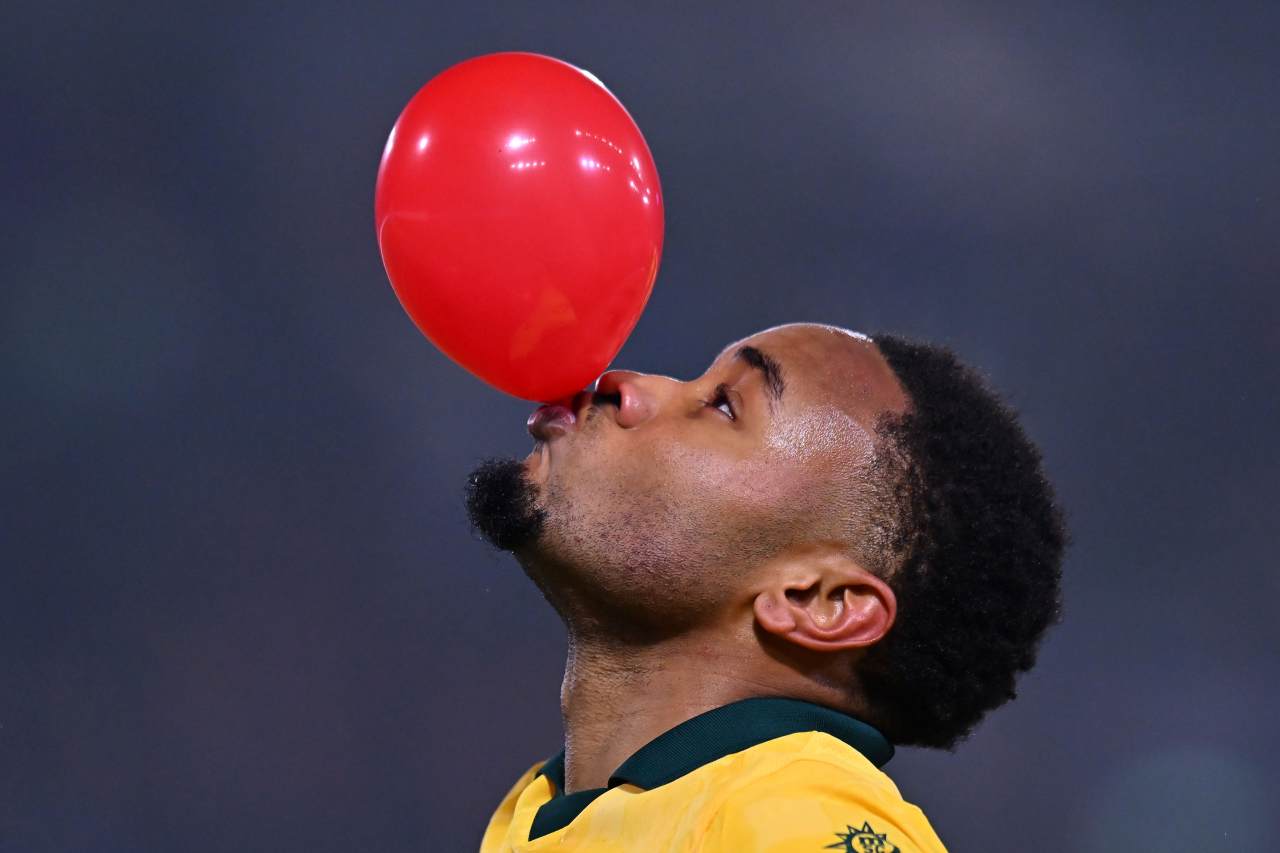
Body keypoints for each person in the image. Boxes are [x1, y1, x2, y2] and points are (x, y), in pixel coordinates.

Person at [465, 322, 1067, 852]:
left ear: (818, 601)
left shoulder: (803, 820)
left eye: (724, 406)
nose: (626, 383)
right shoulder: (534, 810)